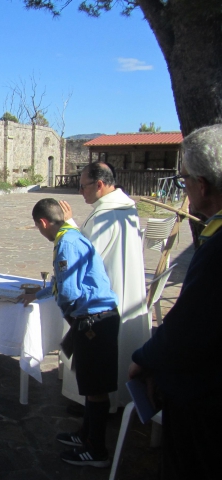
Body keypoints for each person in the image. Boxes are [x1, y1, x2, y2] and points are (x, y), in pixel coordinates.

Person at [129, 124, 222, 480]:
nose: (184, 187)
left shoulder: (217, 249)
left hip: (205, 402)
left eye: (184, 180)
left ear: (203, 185)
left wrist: (144, 359)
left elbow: (189, 327)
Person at [23, 198, 119, 468]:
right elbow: (61, 282)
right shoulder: (71, 234)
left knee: (96, 388)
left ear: (43, 222)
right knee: (90, 384)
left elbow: (68, 292)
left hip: (94, 321)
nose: (40, 231)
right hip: (95, 319)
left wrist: (69, 315)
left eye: (37, 227)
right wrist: (38, 293)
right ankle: (86, 435)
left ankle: (97, 450)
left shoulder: (67, 242)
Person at [59, 162, 148, 412]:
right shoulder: (126, 207)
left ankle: (91, 404)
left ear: (99, 184)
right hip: (124, 286)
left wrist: (69, 225)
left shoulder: (104, 215)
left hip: (101, 298)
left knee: (96, 357)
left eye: (83, 186)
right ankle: (114, 399)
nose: (80, 192)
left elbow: (86, 254)